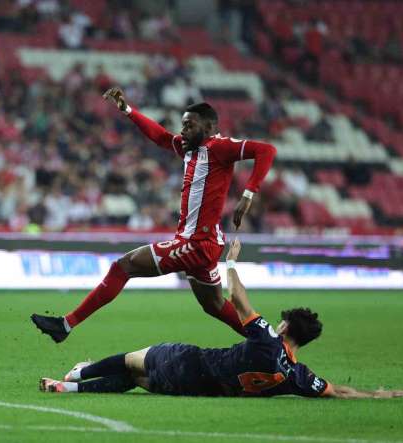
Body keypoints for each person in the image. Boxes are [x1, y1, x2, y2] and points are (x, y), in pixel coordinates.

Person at [31, 87, 277, 343]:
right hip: (204, 243)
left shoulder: (219, 147)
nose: (183, 131)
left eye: (189, 126)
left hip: (196, 243)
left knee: (122, 267)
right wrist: (127, 110)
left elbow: (266, 150)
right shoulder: (189, 150)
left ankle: (66, 324)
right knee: (214, 305)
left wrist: (248, 195)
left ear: (208, 127)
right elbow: (160, 136)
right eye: (182, 125)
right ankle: (271, 344)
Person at [39, 239, 403, 399]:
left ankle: (79, 373)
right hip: (195, 389)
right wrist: (377, 394)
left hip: (188, 360)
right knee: (134, 381)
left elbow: (239, 300)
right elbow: (336, 390)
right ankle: (67, 387)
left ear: (285, 328)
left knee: (131, 361)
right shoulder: (297, 376)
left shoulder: (267, 340)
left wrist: (230, 260)